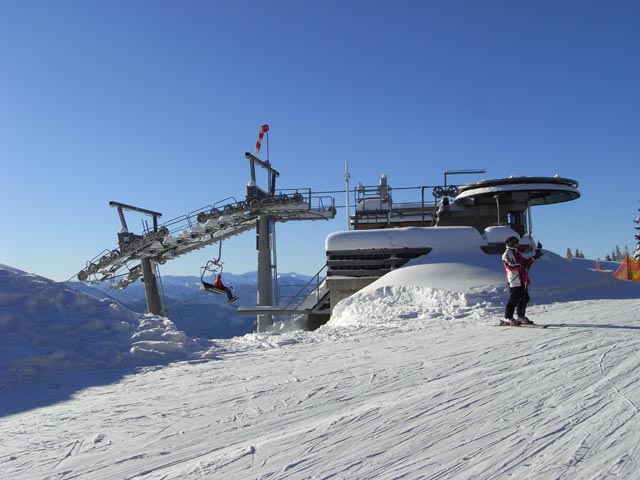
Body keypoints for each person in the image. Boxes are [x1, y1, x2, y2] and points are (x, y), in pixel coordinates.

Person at [501, 236, 543, 326]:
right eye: (516, 243)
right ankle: (508, 317)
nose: (518, 244)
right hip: (514, 280)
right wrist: (520, 265)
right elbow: (509, 266)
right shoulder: (506, 254)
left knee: (524, 298)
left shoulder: (517, 253)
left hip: (523, 279)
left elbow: (525, 262)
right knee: (514, 299)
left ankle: (520, 316)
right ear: (511, 244)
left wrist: (535, 257)